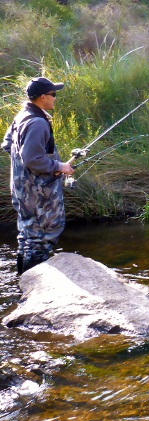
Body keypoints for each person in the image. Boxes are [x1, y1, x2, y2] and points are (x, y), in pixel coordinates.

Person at [2, 77, 74, 274]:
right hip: (38, 193)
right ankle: (36, 284)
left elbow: (8, 144)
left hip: (22, 190)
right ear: (43, 97)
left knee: (28, 236)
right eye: (53, 95)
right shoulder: (37, 123)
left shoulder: (22, 115)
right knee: (43, 237)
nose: (55, 99)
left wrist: (26, 172)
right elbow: (32, 159)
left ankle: (24, 283)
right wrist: (59, 166)